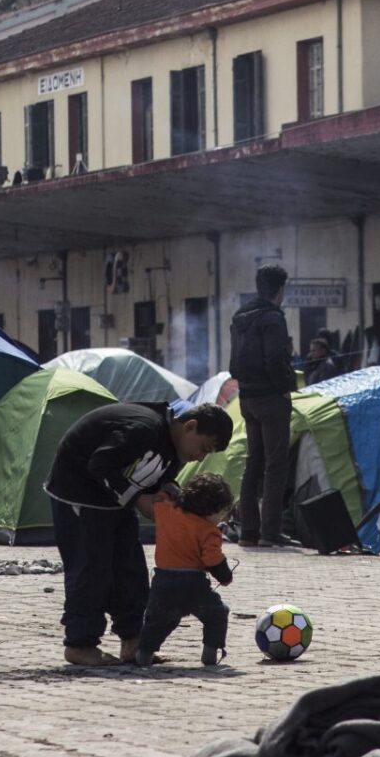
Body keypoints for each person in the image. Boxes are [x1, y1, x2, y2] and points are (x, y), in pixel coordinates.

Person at [45, 398, 232, 667]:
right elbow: (100, 464)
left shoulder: (175, 446)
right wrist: (139, 499)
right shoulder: (144, 428)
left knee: (130, 567)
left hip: (113, 501)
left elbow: (160, 473)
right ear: (190, 426)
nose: (200, 457)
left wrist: (166, 489)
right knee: (91, 568)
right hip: (79, 495)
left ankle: (133, 641)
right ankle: (80, 644)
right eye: (203, 448)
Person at [137, 473, 236, 667]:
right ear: (212, 510)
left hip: (162, 581)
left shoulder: (166, 512)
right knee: (217, 613)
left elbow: (160, 499)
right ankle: (210, 652)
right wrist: (225, 576)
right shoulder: (209, 531)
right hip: (193, 585)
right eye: (222, 512)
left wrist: (167, 492)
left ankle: (143, 654)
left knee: (157, 620)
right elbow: (212, 559)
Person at [231, 264, 298, 547]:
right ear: (280, 289)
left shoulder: (240, 315)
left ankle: (248, 531)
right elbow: (274, 357)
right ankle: (270, 531)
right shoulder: (272, 317)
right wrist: (284, 388)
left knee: (253, 464)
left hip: (246, 397)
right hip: (271, 398)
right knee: (276, 465)